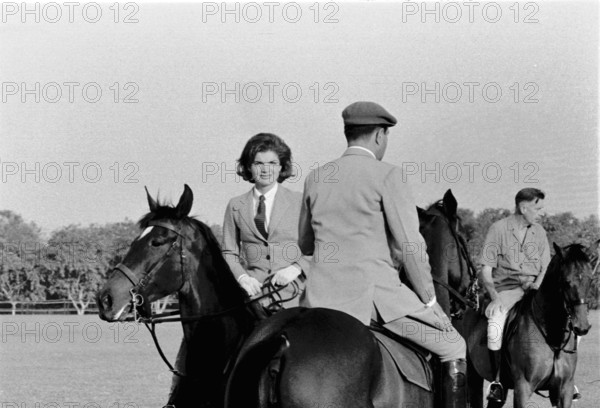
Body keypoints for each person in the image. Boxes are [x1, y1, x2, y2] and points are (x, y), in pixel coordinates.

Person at [298, 101, 467, 408]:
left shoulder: (315, 177)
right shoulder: (389, 175)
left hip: (319, 298)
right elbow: (410, 247)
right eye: (385, 136)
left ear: (348, 133)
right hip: (375, 299)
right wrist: (430, 302)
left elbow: (305, 245)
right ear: (379, 135)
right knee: (454, 345)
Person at [479, 188, 551, 403]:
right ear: (523, 207)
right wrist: (494, 296)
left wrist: (537, 286)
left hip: (535, 290)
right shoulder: (498, 229)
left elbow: (546, 265)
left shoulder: (539, 232)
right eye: (537, 208)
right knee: (494, 326)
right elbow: (486, 269)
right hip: (506, 290)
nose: (540, 213)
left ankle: (563, 375)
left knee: (568, 320)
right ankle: (497, 382)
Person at [222, 132, 309, 308]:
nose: (265, 169)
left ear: (281, 167)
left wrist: (297, 268)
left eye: (272, 163)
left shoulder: (300, 201)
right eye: (258, 163)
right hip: (254, 298)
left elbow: (320, 243)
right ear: (248, 167)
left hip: (296, 296)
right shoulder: (235, 205)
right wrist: (243, 277)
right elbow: (229, 253)